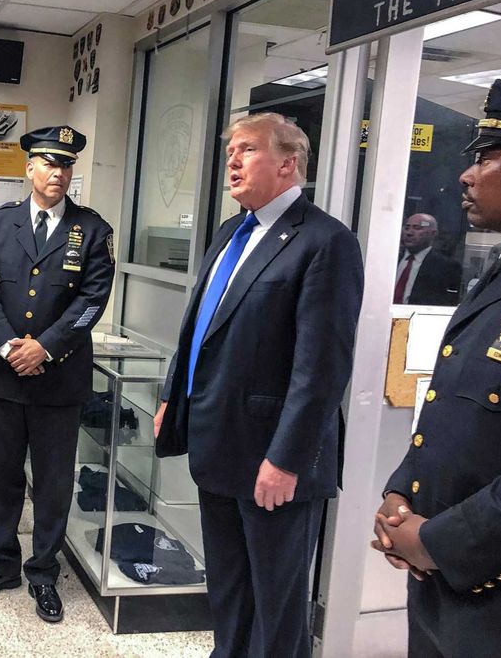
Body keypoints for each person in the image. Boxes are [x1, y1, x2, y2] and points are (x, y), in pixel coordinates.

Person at [153, 112, 363, 657]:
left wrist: (287, 458)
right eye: (231, 152)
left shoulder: (324, 242)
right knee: (228, 587)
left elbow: (321, 367)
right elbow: (200, 326)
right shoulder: (231, 232)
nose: (233, 161)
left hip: (273, 458)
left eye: (247, 150)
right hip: (218, 441)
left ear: (288, 164)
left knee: (277, 602)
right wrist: (172, 399)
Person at [372, 78, 501, 658]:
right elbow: (451, 405)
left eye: (487, 156)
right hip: (446, 589)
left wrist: (435, 540)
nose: (466, 174)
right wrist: (399, 495)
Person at [0, 126, 115, 623]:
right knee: (0, 476)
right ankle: (2, 563)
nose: (58, 172)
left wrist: (44, 349)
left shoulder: (93, 231)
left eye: (66, 165)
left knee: (52, 483)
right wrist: (10, 346)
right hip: (3, 376)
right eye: (49, 163)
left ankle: (44, 571)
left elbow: (93, 301)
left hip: (59, 379)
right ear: (29, 169)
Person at [394, 212, 462, 306]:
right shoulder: (392, 260)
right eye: (407, 228)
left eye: (417, 228)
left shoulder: (446, 267)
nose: (409, 233)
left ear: (433, 233)